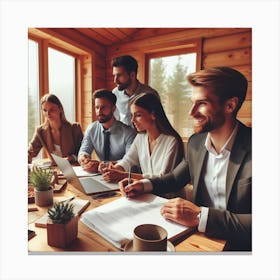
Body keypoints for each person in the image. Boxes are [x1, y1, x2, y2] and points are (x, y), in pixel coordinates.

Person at [119, 67, 252, 251]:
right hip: (196, 240)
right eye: (192, 102)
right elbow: (174, 178)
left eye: (202, 103)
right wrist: (143, 184)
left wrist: (200, 217)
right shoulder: (195, 143)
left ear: (230, 106)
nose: (191, 112)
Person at [101, 93, 184, 197]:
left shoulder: (172, 141)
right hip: (146, 196)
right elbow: (128, 160)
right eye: (132, 115)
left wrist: (124, 175)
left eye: (138, 115)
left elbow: (163, 178)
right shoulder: (140, 138)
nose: (132, 120)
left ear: (153, 114)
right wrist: (114, 169)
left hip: (169, 200)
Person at [78, 89, 136, 173]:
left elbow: (130, 161)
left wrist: (104, 164)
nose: (99, 112)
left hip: (121, 176)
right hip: (99, 176)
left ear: (113, 108)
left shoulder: (128, 133)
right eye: (97, 107)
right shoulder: (91, 129)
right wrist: (84, 159)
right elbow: (84, 150)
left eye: (103, 107)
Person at [28, 93, 83, 164]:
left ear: (60, 109)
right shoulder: (40, 131)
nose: (48, 113)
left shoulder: (75, 128)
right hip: (55, 171)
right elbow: (31, 150)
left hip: (75, 169)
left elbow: (83, 152)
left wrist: (71, 158)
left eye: (52, 109)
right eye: (45, 110)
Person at [111, 55, 159, 127]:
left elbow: (157, 123)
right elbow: (115, 118)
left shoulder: (150, 94)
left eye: (119, 75)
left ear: (132, 75)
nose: (115, 80)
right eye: (114, 75)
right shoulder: (115, 93)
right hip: (124, 136)